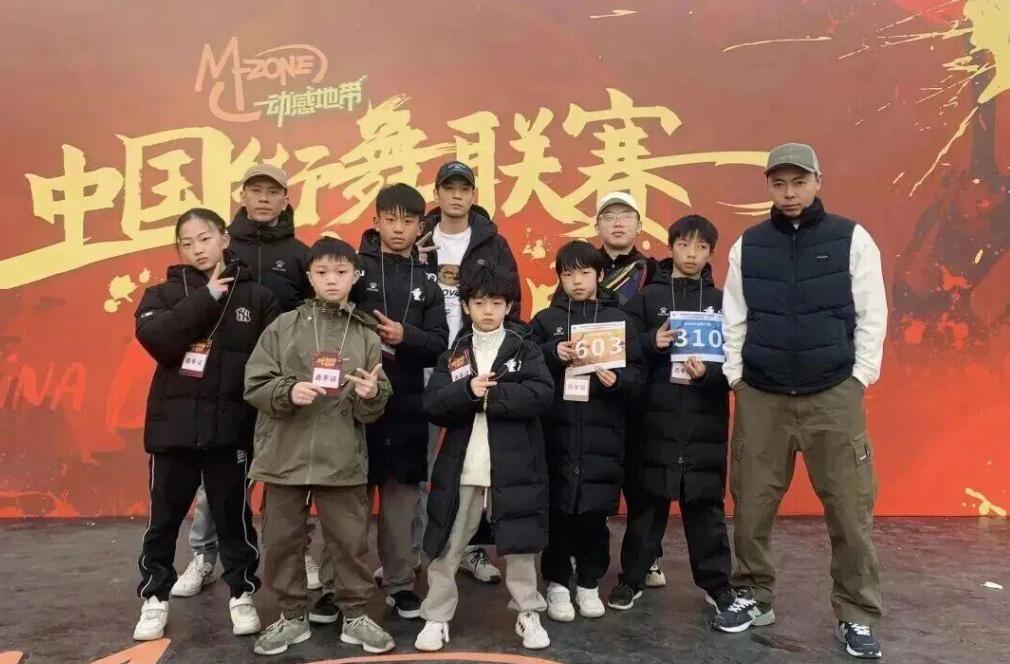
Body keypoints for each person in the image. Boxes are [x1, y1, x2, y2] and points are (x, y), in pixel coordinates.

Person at [714, 143, 887, 660]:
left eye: (798, 182)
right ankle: (753, 595)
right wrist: (737, 378)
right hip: (762, 395)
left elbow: (872, 314)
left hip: (833, 393)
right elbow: (733, 317)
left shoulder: (851, 239)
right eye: (779, 183)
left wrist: (859, 378)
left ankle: (857, 614)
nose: (789, 193)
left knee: (850, 509)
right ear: (768, 186)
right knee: (751, 504)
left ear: (817, 181)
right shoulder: (749, 245)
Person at [174, 164, 322, 598]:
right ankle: (204, 556)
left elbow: (311, 317)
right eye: (255, 191)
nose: (263, 199)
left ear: (285, 199)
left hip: (282, 383)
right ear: (242, 196)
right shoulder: (222, 246)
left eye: (272, 192)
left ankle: (297, 552)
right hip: (225, 381)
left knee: (289, 477)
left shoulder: (300, 254)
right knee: (216, 477)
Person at [244, 238, 395, 656]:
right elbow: (254, 383)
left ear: (355, 276)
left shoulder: (364, 333)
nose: (332, 280)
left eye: (341, 272)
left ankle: (355, 615)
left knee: (349, 541)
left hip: (341, 454)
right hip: (284, 453)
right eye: (322, 272)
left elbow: (375, 401)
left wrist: (371, 394)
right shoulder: (283, 326)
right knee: (281, 541)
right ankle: (291, 616)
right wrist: (287, 391)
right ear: (309, 277)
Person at [132, 208, 278, 641]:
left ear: (225, 240)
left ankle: (242, 593)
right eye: (187, 242)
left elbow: (273, 359)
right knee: (163, 520)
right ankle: (155, 597)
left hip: (230, 428)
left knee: (234, 519)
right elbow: (159, 340)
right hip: (173, 429)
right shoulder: (160, 295)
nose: (197, 249)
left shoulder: (258, 297)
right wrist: (209, 294)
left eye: (205, 239)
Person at [308, 184, 447, 627]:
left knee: (401, 504)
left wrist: (407, 336)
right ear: (376, 221)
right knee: (347, 503)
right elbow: (328, 320)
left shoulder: (430, 281)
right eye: (390, 219)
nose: (399, 228)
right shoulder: (354, 270)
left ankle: (401, 584)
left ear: (421, 226)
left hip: (407, 404)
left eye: (408, 221)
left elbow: (440, 345)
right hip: (351, 403)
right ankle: (335, 587)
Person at [414, 264, 553, 652]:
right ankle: (436, 617)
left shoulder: (525, 348)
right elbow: (433, 404)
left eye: (495, 302)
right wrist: (467, 392)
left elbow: (542, 394)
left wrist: (488, 396)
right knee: (447, 546)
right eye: (478, 303)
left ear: (508, 306)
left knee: (520, 546)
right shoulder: (454, 353)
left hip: (513, 468)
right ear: (466, 306)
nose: (487, 310)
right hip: (463, 469)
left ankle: (528, 612)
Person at [609, 215, 737, 624]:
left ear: (711, 252)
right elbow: (623, 345)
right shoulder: (648, 299)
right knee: (647, 503)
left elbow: (738, 362)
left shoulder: (722, 302)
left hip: (704, 421)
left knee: (705, 505)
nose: (692, 254)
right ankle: (632, 578)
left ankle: (718, 586)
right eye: (684, 245)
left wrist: (710, 374)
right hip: (654, 419)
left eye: (701, 247)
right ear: (671, 247)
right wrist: (652, 341)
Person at [417, 160, 521, 584]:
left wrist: (501, 358)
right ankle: (422, 548)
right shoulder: (420, 239)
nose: (457, 195)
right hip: (425, 361)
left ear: (474, 195)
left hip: (478, 365)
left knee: (475, 462)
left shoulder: (493, 243)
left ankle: (471, 549)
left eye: (464, 188)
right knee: (423, 461)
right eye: (449, 187)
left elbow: (513, 300)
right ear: (437, 194)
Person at [529, 241, 643, 622]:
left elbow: (639, 378)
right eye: (568, 274)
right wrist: (551, 353)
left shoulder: (620, 320)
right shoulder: (546, 321)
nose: (576, 281)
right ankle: (558, 583)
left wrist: (618, 381)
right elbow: (524, 365)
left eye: (584, 272)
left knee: (595, 514)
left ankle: (590, 582)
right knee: (559, 512)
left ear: (599, 274)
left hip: (603, 437)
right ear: (559, 278)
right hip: (556, 435)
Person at [593, 191, 667, 588]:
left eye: (625, 216)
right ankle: (588, 559)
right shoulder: (582, 267)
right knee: (596, 478)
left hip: (644, 388)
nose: (618, 223)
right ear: (597, 226)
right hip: (595, 391)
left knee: (644, 482)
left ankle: (647, 557)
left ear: (639, 225)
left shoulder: (656, 272)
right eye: (609, 216)